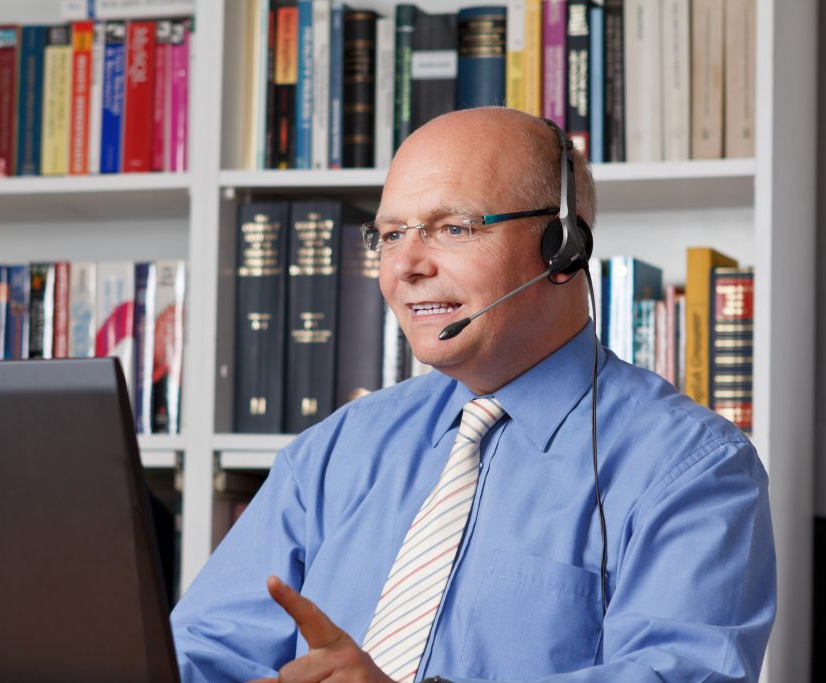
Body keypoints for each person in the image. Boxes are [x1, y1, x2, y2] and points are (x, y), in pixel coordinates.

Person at [171, 107, 775, 683]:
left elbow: (679, 674)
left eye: (453, 228)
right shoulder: (334, 450)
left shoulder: (694, 468)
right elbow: (203, 652)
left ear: (562, 248)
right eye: (388, 235)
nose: (405, 265)